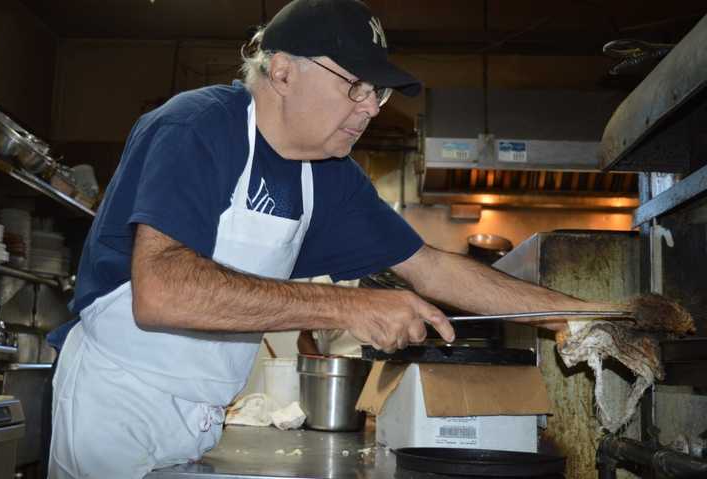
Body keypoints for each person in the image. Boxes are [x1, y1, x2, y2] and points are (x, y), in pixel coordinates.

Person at [48, 0, 615, 477]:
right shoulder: (198, 126)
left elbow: (431, 267)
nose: (370, 107)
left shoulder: (329, 174)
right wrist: (350, 304)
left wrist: (588, 316)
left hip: (199, 413)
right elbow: (163, 292)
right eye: (356, 86)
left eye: (379, 93)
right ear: (284, 72)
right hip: (116, 402)